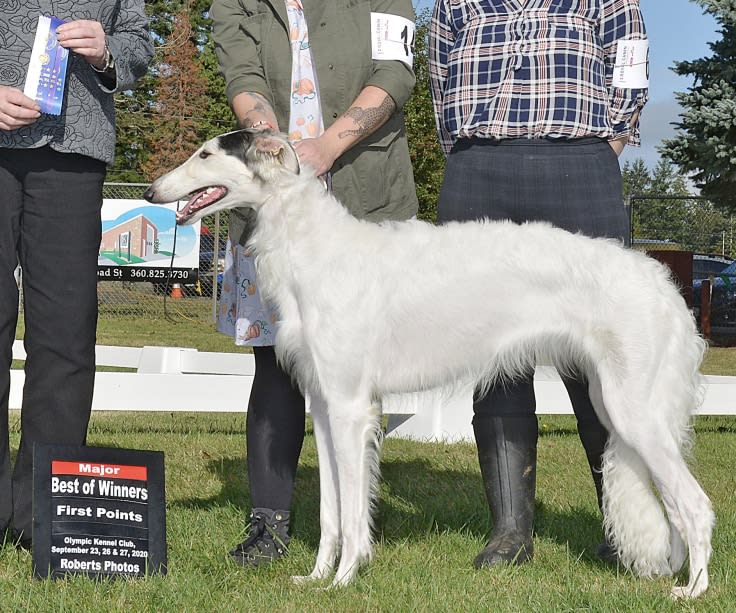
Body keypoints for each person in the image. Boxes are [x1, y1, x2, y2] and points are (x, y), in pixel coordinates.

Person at [428, 0, 648, 567]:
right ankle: (510, 532)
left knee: (597, 359)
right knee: (495, 357)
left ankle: (624, 530)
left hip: (579, 166)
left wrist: (605, 148)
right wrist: (467, 156)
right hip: (479, 170)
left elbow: (629, 68)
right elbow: (438, 75)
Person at [210, 0, 419, 566]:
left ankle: (355, 524)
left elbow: (396, 69)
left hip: (364, 190)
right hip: (273, 194)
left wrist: (327, 147)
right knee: (277, 362)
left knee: (354, 371)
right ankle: (270, 523)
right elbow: (243, 73)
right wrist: (270, 146)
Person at [0, 2, 153, 549]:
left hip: (75, 153)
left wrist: (110, 52)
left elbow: (140, 43)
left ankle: (42, 513)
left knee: (64, 336)